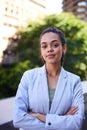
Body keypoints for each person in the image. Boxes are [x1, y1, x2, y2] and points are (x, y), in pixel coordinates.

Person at [13, 27, 84, 130]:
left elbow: (76, 123)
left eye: (55, 45)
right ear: (41, 51)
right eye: (44, 46)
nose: (49, 49)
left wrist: (40, 116)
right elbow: (18, 119)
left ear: (64, 48)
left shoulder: (74, 81)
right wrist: (62, 119)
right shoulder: (28, 77)